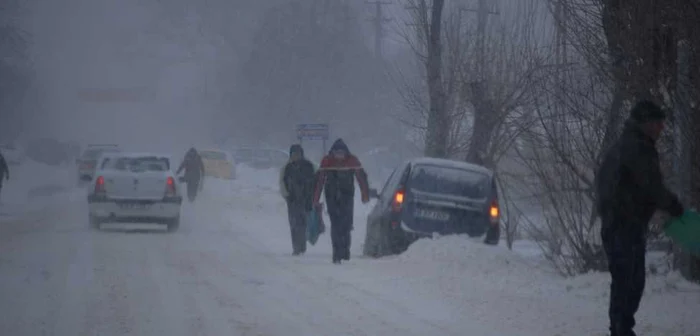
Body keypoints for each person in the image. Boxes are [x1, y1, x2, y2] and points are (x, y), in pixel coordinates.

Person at [595, 100, 684, 336]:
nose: (661, 128)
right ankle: (621, 328)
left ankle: (621, 326)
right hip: (625, 223)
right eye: (657, 123)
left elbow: (606, 183)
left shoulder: (623, 145)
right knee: (630, 281)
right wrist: (674, 206)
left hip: (617, 222)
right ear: (645, 123)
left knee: (627, 279)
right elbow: (651, 186)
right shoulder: (638, 148)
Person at [313, 138, 370, 264]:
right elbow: (319, 181)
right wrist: (316, 199)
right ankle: (337, 253)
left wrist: (365, 195)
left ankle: (345, 252)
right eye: (337, 153)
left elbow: (361, 178)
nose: (339, 156)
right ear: (333, 152)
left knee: (346, 225)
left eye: (341, 153)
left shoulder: (352, 160)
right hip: (331, 197)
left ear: (345, 153)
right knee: (335, 225)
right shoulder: (327, 161)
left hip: (347, 197)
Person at [279, 144, 316, 256]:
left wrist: (312, 197)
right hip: (292, 200)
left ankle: (302, 246)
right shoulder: (287, 167)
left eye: (298, 154)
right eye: (294, 154)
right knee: (294, 224)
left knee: (303, 224)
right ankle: (296, 247)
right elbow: (282, 182)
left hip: (306, 199)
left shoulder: (308, 166)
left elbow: (314, 182)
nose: (296, 156)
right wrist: (286, 195)